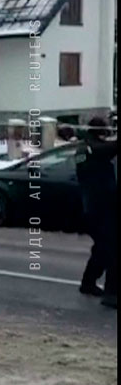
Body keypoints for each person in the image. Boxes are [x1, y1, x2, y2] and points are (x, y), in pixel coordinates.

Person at [74, 117, 117, 309]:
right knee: (113, 249)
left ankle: (88, 283)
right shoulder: (88, 149)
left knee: (102, 248)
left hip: (96, 207)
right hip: (98, 207)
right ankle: (112, 294)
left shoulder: (89, 147)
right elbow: (105, 150)